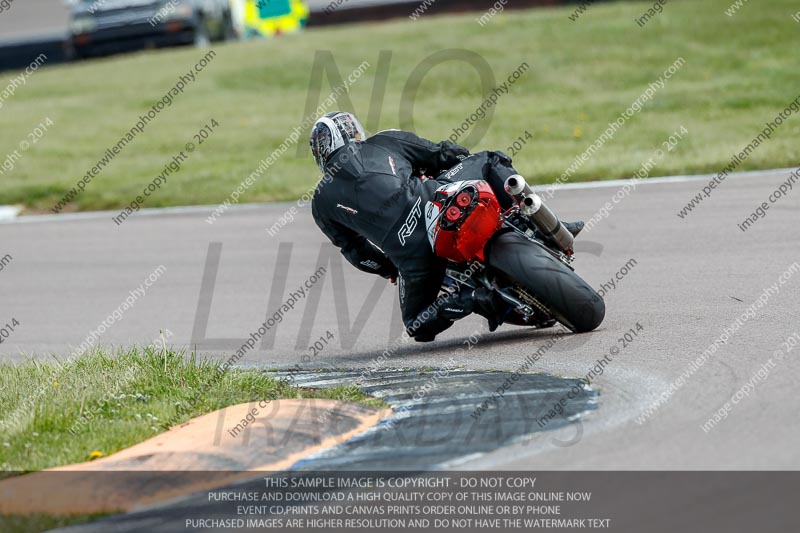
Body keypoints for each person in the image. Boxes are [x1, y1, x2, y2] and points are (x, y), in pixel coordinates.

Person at [309, 111, 582, 342]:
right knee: (490, 160)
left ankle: (472, 298)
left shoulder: (320, 202)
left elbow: (357, 253)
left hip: (412, 254)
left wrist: (391, 270)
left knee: (417, 325)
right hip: (437, 201)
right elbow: (442, 153)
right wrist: (457, 161)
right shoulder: (384, 140)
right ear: (354, 132)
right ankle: (540, 222)